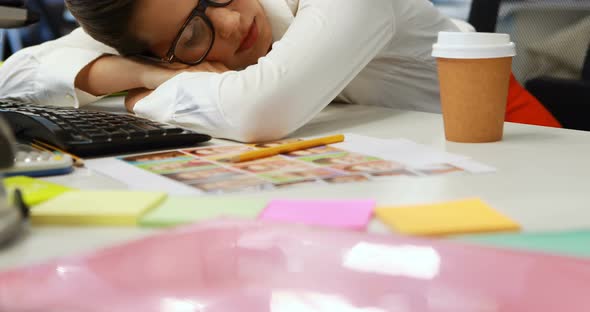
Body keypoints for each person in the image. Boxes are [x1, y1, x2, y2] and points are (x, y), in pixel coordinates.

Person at [0, 0, 468, 143]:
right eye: (191, 37)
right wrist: (144, 75)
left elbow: (257, 110)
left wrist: (149, 91)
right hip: (397, 155)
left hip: (503, 139)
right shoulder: (154, 23)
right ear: (159, 53)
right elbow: (14, 75)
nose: (231, 22)